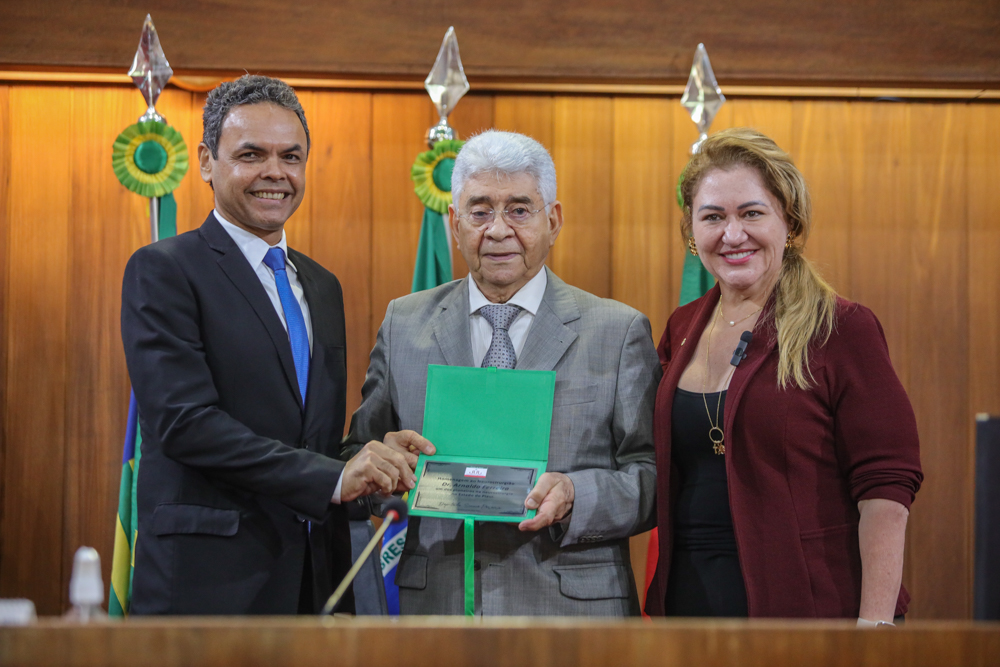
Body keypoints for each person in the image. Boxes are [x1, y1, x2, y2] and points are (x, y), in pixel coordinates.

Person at [121, 75, 432, 615]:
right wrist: (334, 476)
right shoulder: (165, 270)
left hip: (313, 580)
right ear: (205, 162)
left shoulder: (321, 285)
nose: (275, 173)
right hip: (207, 586)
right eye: (250, 154)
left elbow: (308, 439)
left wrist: (370, 457)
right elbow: (185, 423)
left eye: (291, 156)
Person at [344, 130, 661, 616]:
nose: (497, 230)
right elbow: (356, 458)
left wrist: (579, 494)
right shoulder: (404, 323)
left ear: (552, 220)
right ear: (454, 223)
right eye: (479, 211)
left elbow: (654, 476)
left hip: (572, 615)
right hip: (437, 610)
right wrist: (380, 465)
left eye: (518, 209)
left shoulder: (617, 332)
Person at [643, 128, 923, 623]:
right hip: (687, 610)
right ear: (692, 232)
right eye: (713, 217)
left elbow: (885, 489)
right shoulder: (682, 327)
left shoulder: (841, 328)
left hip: (806, 612)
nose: (732, 235)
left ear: (788, 222)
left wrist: (874, 629)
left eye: (752, 213)